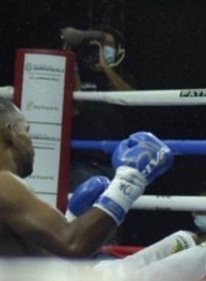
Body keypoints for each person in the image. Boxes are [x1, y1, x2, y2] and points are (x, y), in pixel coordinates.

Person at [0, 95, 206, 281]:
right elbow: (74, 245)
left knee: (185, 239)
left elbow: (43, 256)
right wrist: (129, 180)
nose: (32, 143)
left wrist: (74, 217)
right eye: (27, 131)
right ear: (9, 132)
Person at [62, 24, 135, 247]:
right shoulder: (80, 75)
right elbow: (77, 106)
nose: (104, 49)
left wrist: (106, 68)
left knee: (107, 227)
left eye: (109, 45)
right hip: (82, 162)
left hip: (113, 165)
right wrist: (72, 63)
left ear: (120, 50)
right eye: (100, 45)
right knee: (79, 223)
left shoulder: (123, 76)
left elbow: (133, 98)